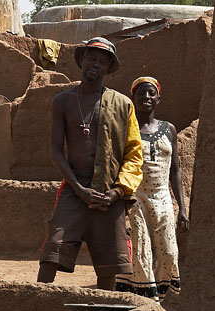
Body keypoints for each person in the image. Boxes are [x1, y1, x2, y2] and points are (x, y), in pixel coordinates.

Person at [37, 37, 143, 291]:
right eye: (91, 58)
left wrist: (117, 192)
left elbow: (134, 154)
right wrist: (79, 189)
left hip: (110, 192)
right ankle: (37, 303)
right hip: (75, 189)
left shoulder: (123, 105)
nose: (96, 64)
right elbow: (56, 151)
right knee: (54, 247)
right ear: (81, 61)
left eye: (102, 61)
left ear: (108, 68)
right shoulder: (62, 101)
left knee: (110, 261)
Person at [115, 77, 189, 301]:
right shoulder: (127, 129)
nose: (146, 97)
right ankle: (146, 304)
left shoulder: (169, 129)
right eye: (141, 93)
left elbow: (175, 170)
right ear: (133, 98)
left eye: (151, 93)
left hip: (163, 199)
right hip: (135, 199)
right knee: (141, 252)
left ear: (158, 99)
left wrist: (182, 208)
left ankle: (160, 301)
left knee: (168, 252)